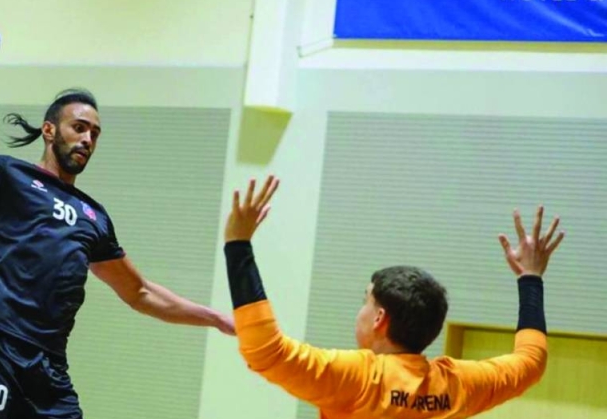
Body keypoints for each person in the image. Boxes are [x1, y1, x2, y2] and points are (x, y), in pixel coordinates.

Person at [0, 41, 235, 419]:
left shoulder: (93, 218)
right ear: (49, 130)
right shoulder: (8, 177)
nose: (88, 139)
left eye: (95, 133)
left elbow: (140, 292)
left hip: (49, 369)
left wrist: (216, 318)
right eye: (79, 128)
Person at [222, 176, 564, 418]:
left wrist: (238, 245)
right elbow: (530, 363)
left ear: (379, 318)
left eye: (366, 300)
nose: (360, 310)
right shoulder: (456, 385)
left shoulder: (359, 378)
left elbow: (265, 350)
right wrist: (530, 279)